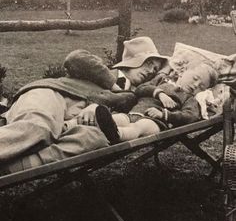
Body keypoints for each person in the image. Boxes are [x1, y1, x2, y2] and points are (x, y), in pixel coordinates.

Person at [0, 36, 169, 172]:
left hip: (68, 123)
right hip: (53, 95)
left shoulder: (134, 96)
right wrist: (112, 85)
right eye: (148, 63)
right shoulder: (104, 72)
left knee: (96, 140)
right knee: (41, 127)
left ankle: (11, 167)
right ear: (131, 60)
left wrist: (99, 107)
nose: (150, 71)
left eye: (155, 69)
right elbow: (74, 58)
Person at [94, 61, 219, 144]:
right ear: (183, 71)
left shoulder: (190, 99)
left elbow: (189, 116)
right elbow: (140, 89)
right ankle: (94, 124)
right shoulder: (162, 80)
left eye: (201, 87)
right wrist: (159, 93)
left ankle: (117, 135)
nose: (195, 85)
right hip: (134, 113)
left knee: (139, 127)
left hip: (157, 122)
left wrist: (164, 114)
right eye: (195, 78)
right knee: (118, 119)